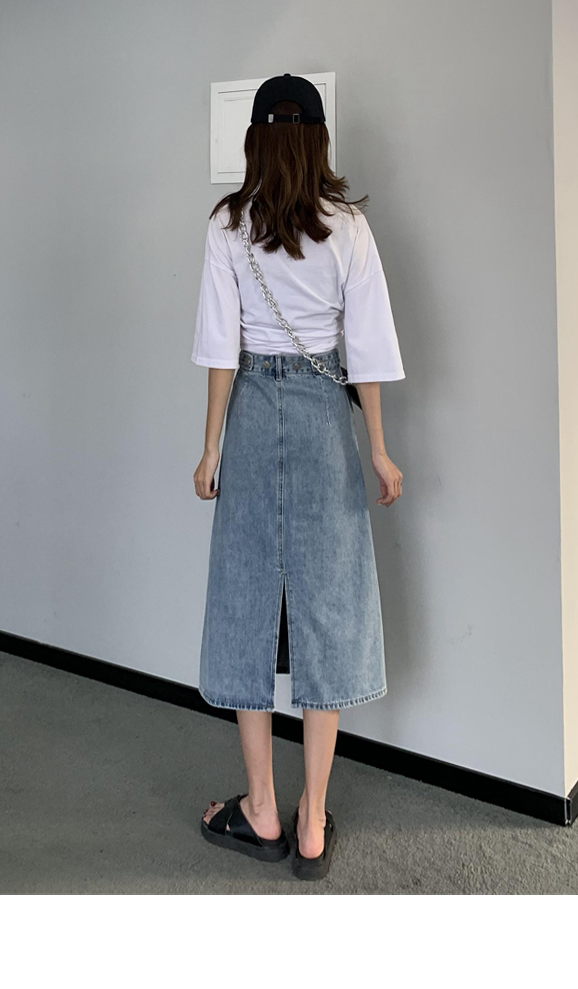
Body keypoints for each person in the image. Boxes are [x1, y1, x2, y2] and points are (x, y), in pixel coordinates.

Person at [190, 73, 405, 880]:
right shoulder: (348, 227)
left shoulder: (227, 224)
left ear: (255, 139)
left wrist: (210, 448)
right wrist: (377, 447)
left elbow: (221, 349)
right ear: (318, 139)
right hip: (322, 417)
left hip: (251, 412)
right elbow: (368, 348)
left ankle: (262, 806)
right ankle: (313, 819)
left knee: (245, 600)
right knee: (327, 604)